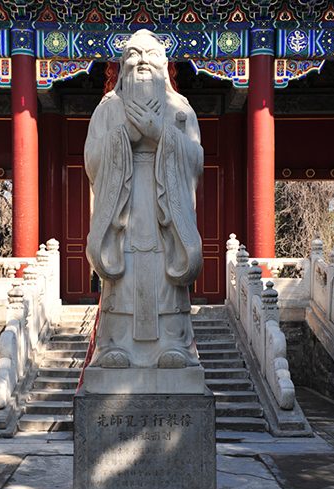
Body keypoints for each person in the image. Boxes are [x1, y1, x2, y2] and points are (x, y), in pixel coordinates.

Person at [85, 30, 203, 369]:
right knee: (123, 276)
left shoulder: (180, 108)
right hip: (123, 210)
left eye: (150, 56)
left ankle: (174, 344)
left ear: (164, 66)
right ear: (122, 67)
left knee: (166, 274)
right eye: (133, 56)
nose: (141, 63)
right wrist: (126, 134)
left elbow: (195, 160)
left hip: (166, 210)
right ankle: (115, 345)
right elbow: (92, 161)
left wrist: (159, 132)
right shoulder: (108, 109)